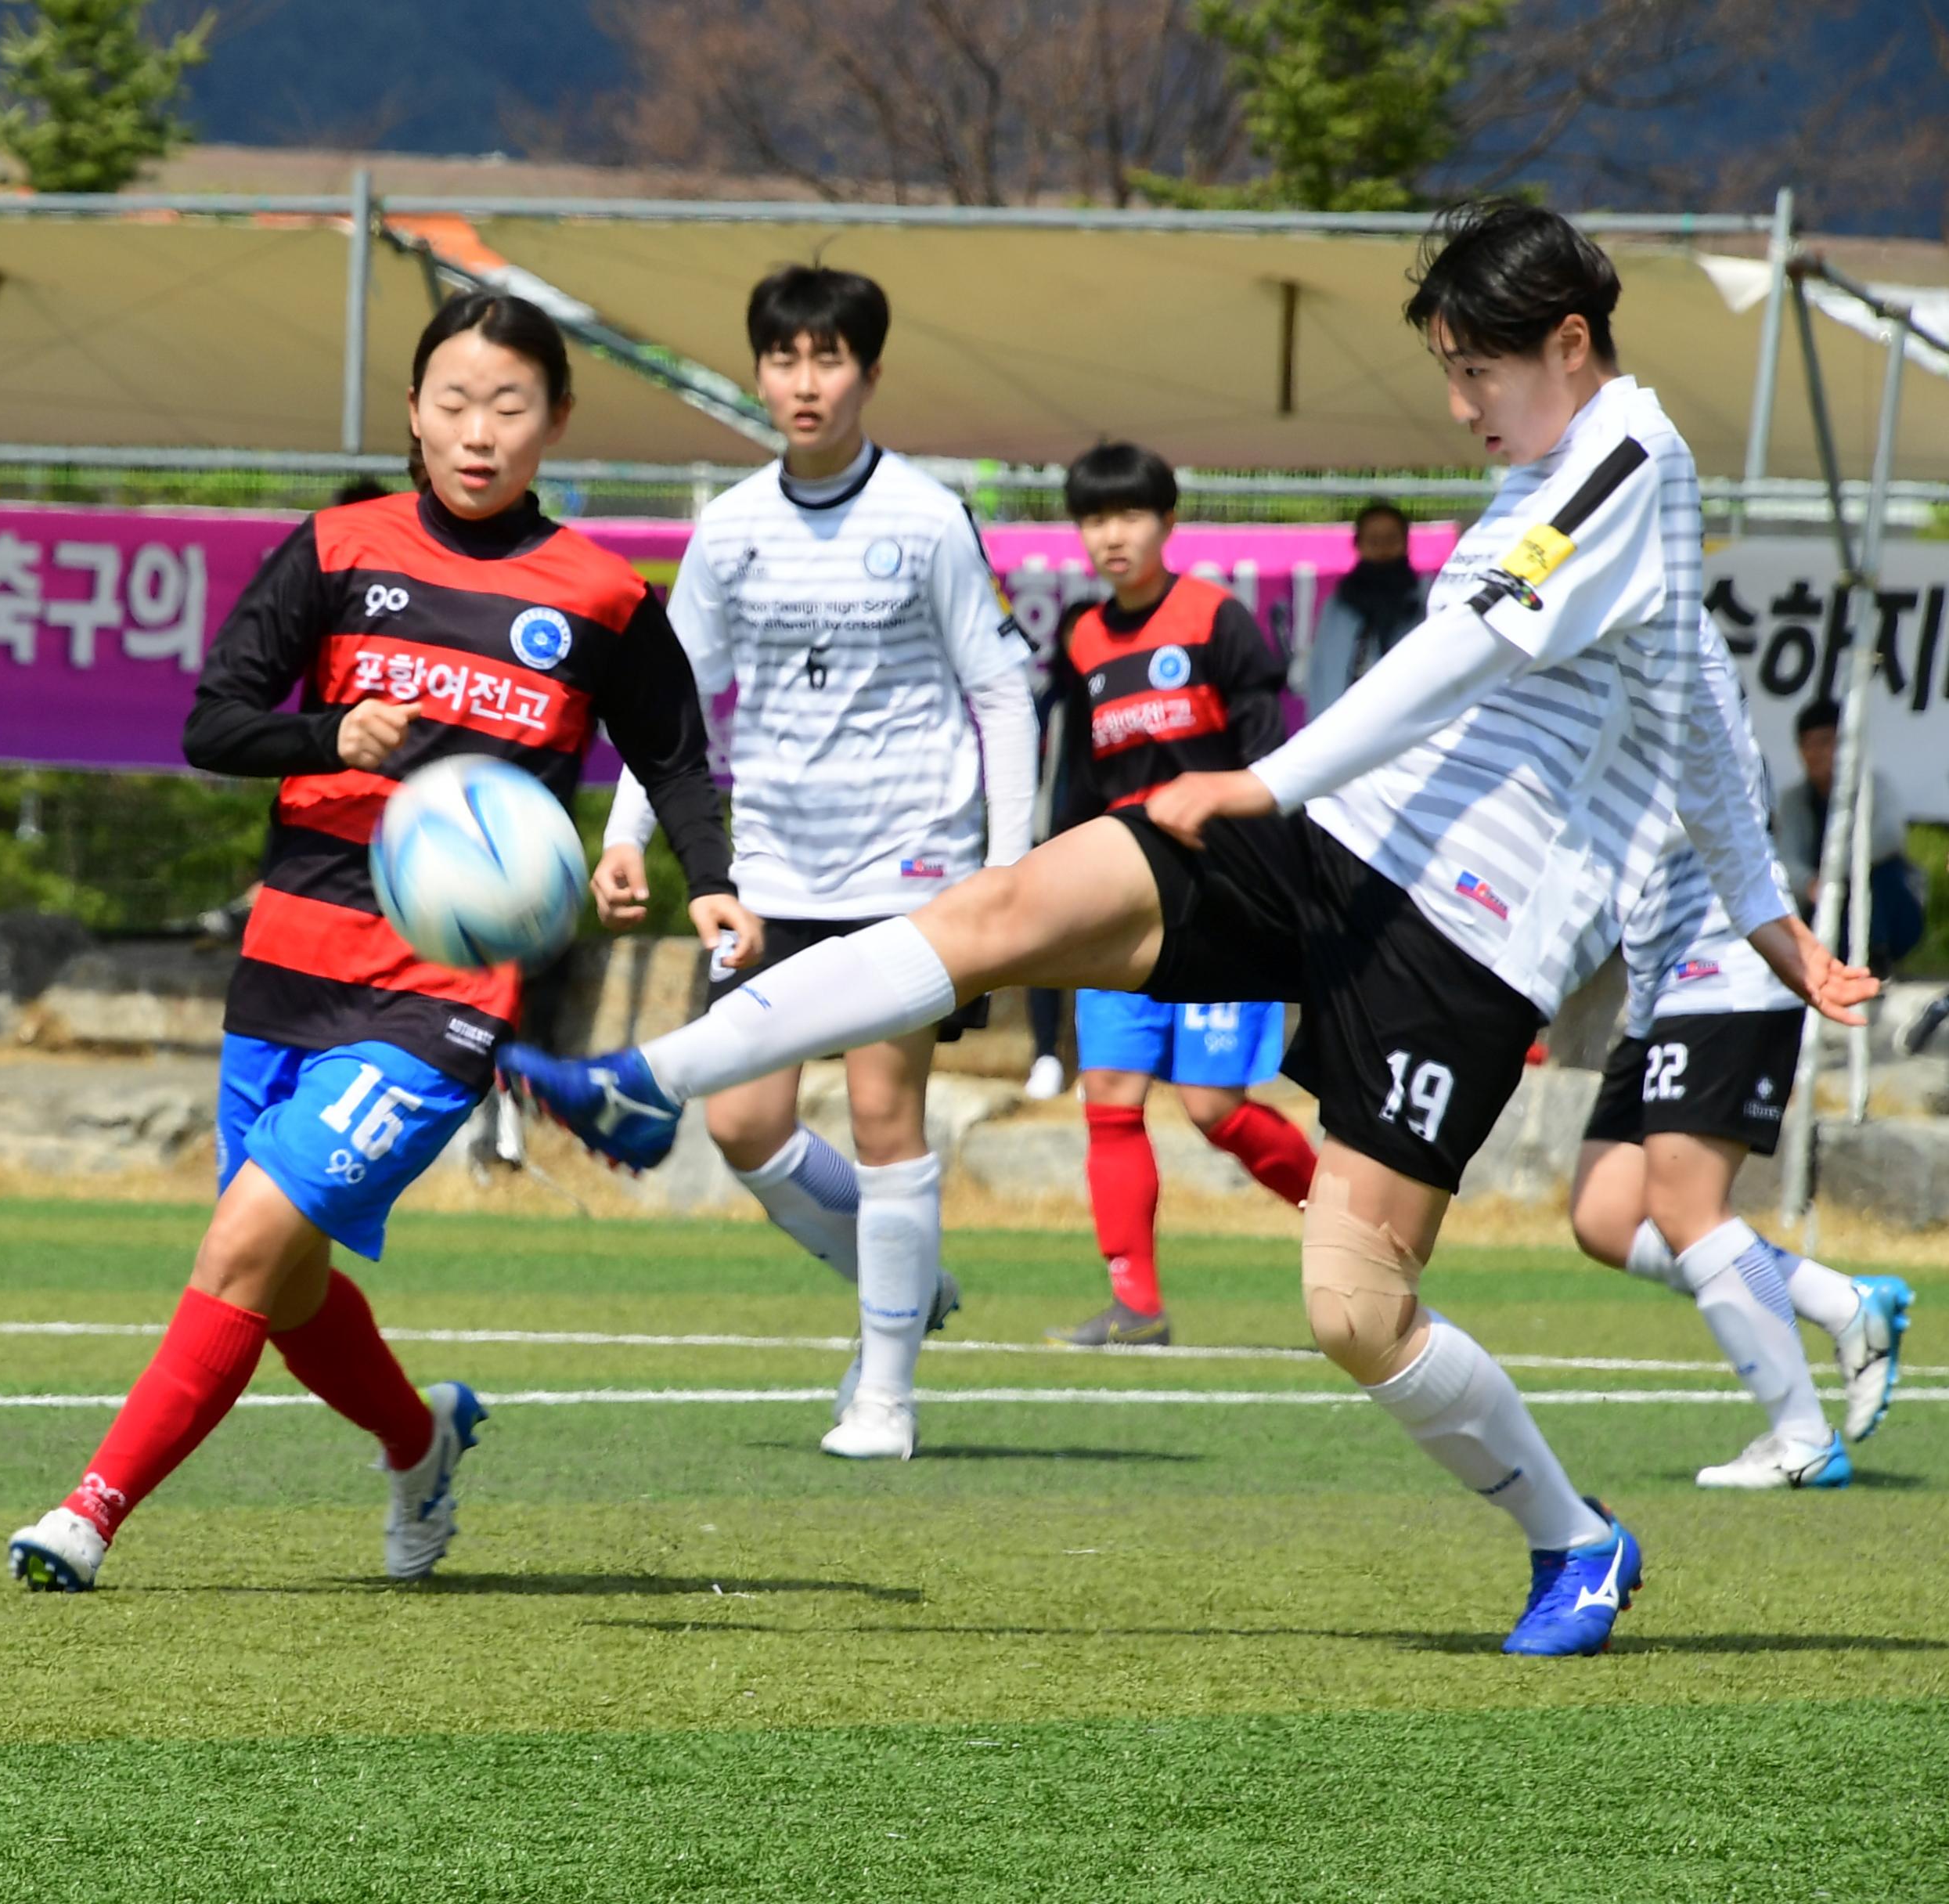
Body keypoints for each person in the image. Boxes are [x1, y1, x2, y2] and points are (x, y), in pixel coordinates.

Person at [502, 201, 1875, 1657]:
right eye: (1447, 372)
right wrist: (1767, 911)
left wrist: (1267, 774)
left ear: (1569, 342)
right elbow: (1700, 707)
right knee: (1000, 905)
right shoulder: (1575, 471)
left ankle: (1574, 1541)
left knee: (1353, 1311)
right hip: (1327, 845)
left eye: (1475, 372)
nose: (1458, 405)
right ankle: (656, 1080)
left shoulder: (1622, 467)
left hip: (1459, 940)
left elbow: (1531, 668)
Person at [4, 290, 745, 1592]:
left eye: (508, 407)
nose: (477, 433)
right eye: (451, 403)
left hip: (446, 991)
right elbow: (211, 724)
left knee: (239, 1244)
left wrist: (710, 882)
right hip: (289, 963)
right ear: (411, 412)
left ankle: (88, 1509)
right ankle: (420, 1439)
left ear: (555, 422)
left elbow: (676, 755)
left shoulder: (599, 594)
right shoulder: (336, 548)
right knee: (282, 1284)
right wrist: (325, 733)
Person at [591, 263, 1039, 1459]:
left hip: (912, 866)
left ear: (870, 375)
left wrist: (1007, 870)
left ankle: (886, 1398)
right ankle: (908, 1283)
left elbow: (1002, 691)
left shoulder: (931, 516)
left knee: (888, 1114)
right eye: (784, 359)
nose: (806, 382)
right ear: (758, 374)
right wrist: (627, 835)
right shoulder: (730, 528)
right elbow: (667, 707)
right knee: (741, 1122)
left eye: (829, 359)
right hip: (772, 871)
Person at [1569, 691, 1914, 1487]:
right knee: (1604, 1214)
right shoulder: (1600, 679)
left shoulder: (1674, 674)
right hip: (1660, 990)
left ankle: (1803, 1439)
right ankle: (1842, 1300)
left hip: (1723, 971)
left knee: (1689, 1211)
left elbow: (1662, 825)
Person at [1038, 444, 1318, 1350]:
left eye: (1129, 515)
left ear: (1167, 520)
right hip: (1116, 902)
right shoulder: (1079, 637)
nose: (1111, 535)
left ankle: (1353, 1216)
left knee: (1212, 1107)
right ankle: (1137, 1306)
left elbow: (1273, 760)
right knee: (1110, 1097)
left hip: (1223, 899)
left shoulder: (1216, 620)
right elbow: (1080, 778)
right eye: (1093, 519)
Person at [1776, 699, 1926, 975]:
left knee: (1880, 873)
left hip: (1884, 906)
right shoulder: (1794, 801)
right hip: (1819, 907)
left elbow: (1889, 837)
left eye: (1824, 742)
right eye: (1807, 744)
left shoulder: (1874, 788)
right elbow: (1786, 858)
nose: (1816, 753)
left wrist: (1835, 874)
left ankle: (1877, 958)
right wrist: (1810, 884)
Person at [1295, 500, 1428, 721]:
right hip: (1342, 728)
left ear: (1406, 543)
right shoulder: (1338, 605)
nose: (1382, 549)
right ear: (1358, 544)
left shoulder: (1422, 601)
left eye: (1390, 540)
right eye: (1373, 541)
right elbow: (1320, 673)